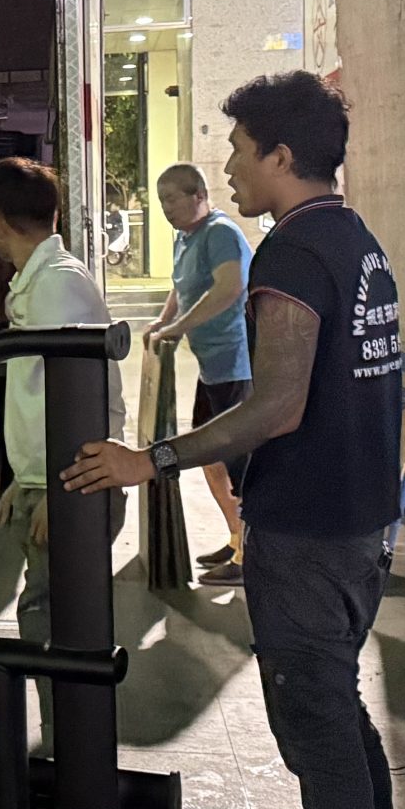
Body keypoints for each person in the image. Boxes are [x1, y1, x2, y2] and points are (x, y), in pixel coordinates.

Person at [61, 72, 405, 809]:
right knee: (338, 709)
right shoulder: (354, 239)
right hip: (361, 519)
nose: (229, 165)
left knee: (316, 723)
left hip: (308, 527)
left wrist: (157, 457)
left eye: (239, 148)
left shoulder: (290, 256)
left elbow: (278, 406)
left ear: (281, 157)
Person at [0, 158, 125, 666]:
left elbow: (86, 399)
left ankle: (67, 743)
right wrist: (26, 479)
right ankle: (60, 738)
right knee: (46, 617)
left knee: (51, 624)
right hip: (53, 481)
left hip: (73, 485)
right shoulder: (37, 283)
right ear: (55, 216)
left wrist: (62, 491)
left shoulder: (58, 285)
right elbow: (44, 395)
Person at [145, 162, 254, 585]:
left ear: (198, 196)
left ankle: (250, 556)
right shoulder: (186, 237)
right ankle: (236, 537)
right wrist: (162, 320)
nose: (167, 208)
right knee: (209, 455)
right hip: (211, 364)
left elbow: (229, 288)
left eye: (173, 198)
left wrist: (178, 328)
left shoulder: (221, 233)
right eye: (162, 201)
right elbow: (180, 285)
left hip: (235, 364)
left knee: (240, 461)